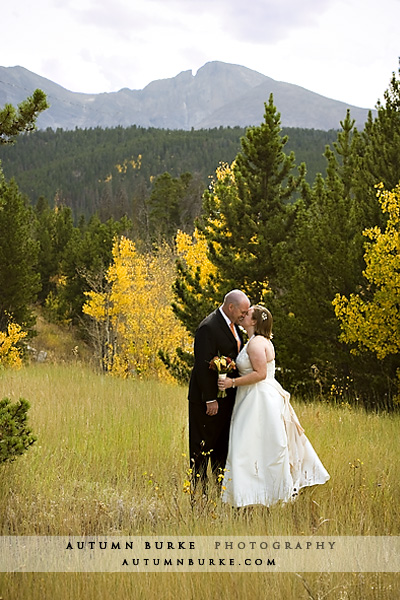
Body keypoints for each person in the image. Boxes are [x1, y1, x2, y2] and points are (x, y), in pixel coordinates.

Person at [218, 305, 330, 507]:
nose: (243, 315)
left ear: (254, 321)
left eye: (247, 314)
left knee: (247, 445)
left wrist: (231, 383)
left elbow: (260, 374)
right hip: (257, 395)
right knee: (256, 446)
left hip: (259, 398)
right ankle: (252, 494)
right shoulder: (256, 341)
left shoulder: (256, 344)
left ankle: (255, 495)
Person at [188, 289, 251, 491]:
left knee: (220, 448)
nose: (245, 315)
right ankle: (199, 494)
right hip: (207, 401)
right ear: (230, 307)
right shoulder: (209, 327)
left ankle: (220, 492)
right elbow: (202, 366)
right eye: (242, 311)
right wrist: (210, 399)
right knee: (201, 447)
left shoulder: (235, 326)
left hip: (228, 398)